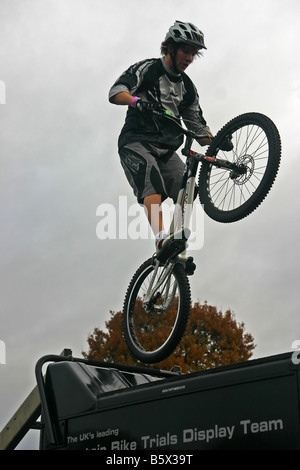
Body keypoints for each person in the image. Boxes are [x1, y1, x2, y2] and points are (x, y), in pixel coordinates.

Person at [109, 20, 231, 262]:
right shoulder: (148, 69)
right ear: (171, 48)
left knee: (187, 190)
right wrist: (136, 101)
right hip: (136, 142)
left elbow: (197, 127)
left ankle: (174, 243)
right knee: (150, 180)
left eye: (193, 54)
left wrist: (216, 142)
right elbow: (115, 92)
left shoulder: (187, 88)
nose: (189, 58)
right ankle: (161, 236)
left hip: (166, 150)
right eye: (186, 50)